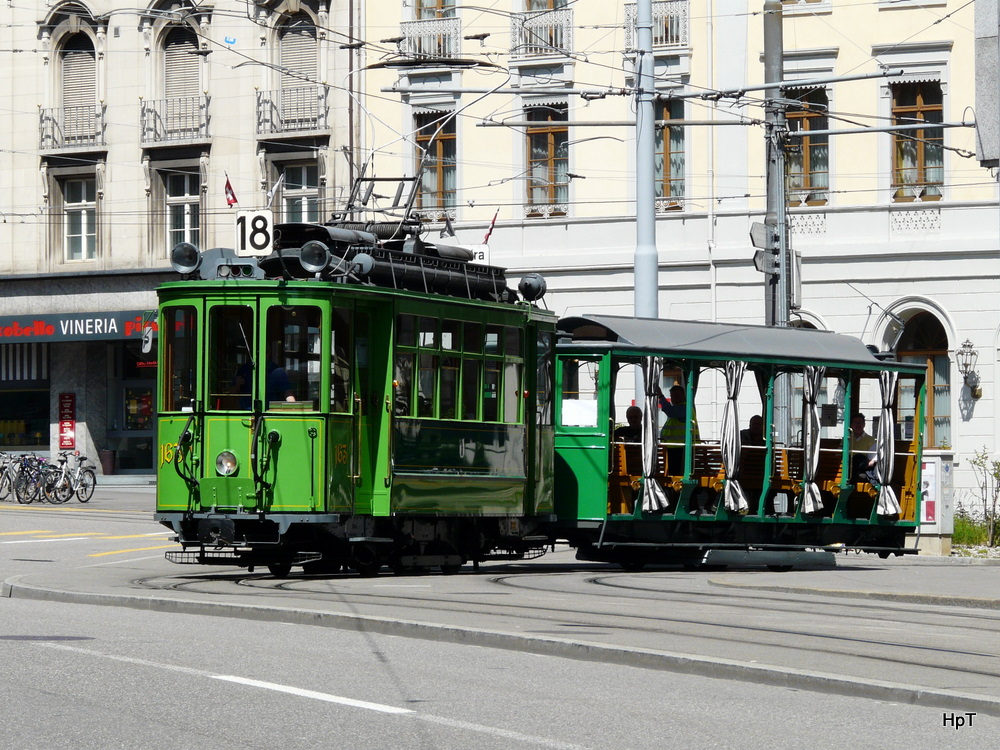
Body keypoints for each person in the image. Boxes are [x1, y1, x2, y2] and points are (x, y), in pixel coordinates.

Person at [850, 412, 877, 482]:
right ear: (851, 425)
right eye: (856, 423)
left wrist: (860, 466)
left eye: (860, 423)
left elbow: (873, 461)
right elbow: (839, 455)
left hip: (862, 470)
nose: (858, 425)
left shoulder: (871, 440)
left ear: (864, 424)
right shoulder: (847, 439)